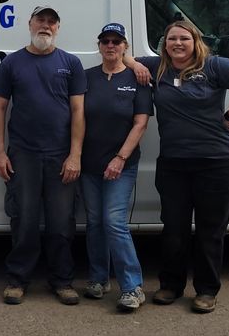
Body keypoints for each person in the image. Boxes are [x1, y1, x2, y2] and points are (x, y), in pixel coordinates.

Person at [128, 19, 229, 313]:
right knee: (173, 228)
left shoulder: (215, 66)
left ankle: (207, 290)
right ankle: (171, 285)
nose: (177, 43)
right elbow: (123, 53)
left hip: (217, 162)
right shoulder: (158, 67)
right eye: (171, 39)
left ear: (196, 41)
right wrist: (135, 65)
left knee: (209, 230)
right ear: (165, 44)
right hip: (174, 163)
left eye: (184, 39)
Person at [0, 5, 86, 305]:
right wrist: (0, 153)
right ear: (30, 24)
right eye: (40, 20)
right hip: (24, 155)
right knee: (25, 220)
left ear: (58, 27)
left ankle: (62, 281)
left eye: (51, 22)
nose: (45, 26)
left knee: (61, 224)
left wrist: (75, 155)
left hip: (60, 156)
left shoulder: (71, 63)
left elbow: (78, 110)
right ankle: (17, 280)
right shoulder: (12, 63)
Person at [80, 23, 152, 311]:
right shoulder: (85, 78)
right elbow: (77, 118)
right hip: (88, 164)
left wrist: (120, 158)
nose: (111, 46)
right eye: (105, 41)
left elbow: (141, 122)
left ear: (125, 47)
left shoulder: (138, 79)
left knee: (114, 222)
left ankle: (133, 286)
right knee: (95, 223)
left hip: (122, 164)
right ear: (99, 46)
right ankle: (98, 279)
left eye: (116, 41)